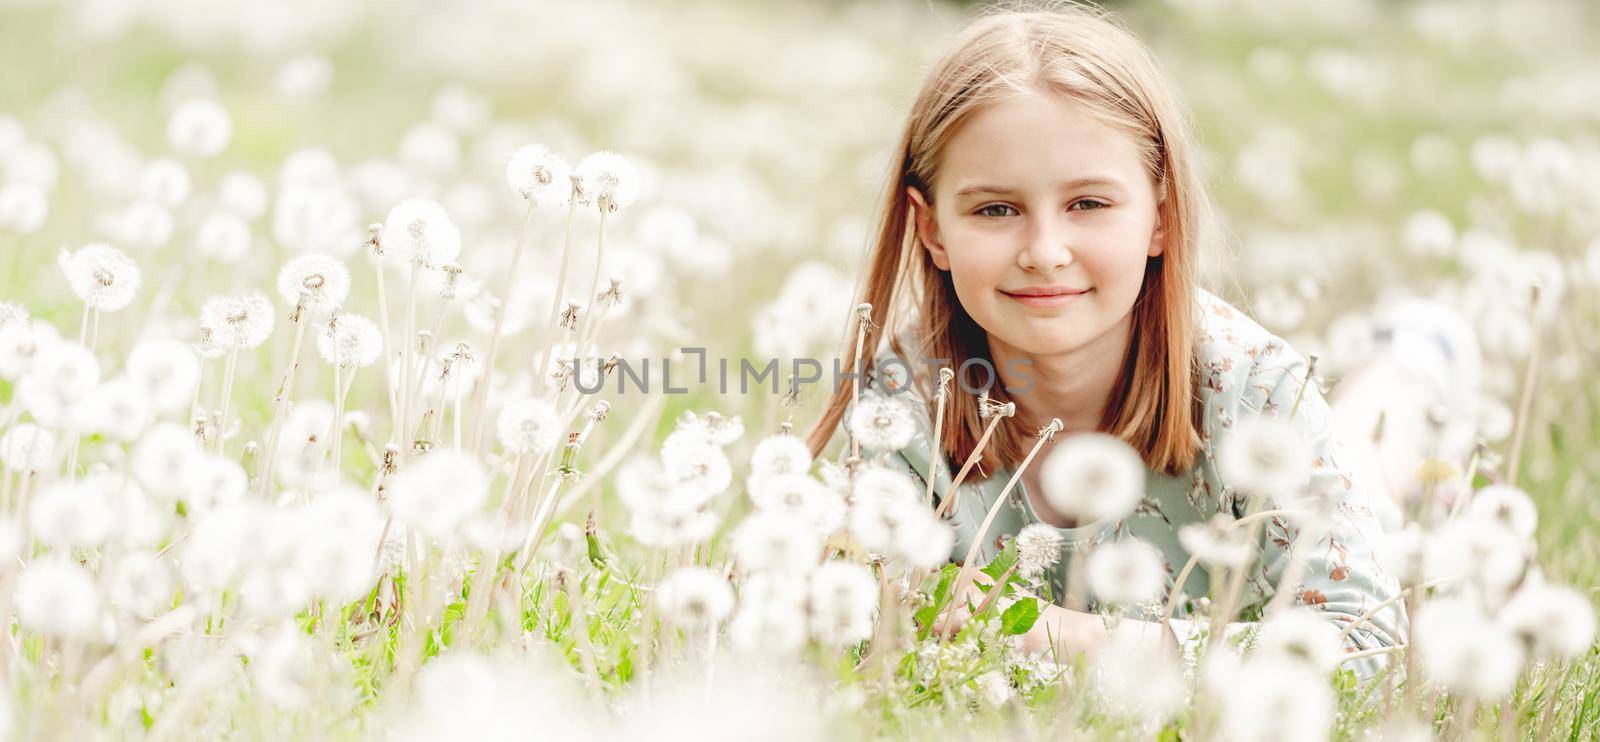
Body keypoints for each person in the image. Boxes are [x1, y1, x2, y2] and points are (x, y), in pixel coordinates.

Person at [805, 2, 1404, 673]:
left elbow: (1365, 643)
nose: (1045, 251)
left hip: (1326, 428)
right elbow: (846, 619)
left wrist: (1065, 637)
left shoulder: (1256, 389)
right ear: (932, 229)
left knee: (1381, 455)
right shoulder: (904, 409)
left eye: (1088, 204)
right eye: (995, 209)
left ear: (1161, 214)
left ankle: (1406, 365)